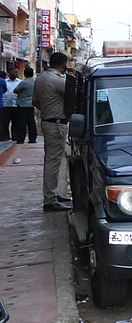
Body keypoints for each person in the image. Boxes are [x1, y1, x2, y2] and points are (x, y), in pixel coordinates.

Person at [33, 53, 72, 212]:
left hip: (48, 121)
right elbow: (73, 96)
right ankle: (50, 199)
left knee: (52, 160)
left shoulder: (41, 78)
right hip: (56, 124)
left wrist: (48, 110)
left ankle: (53, 193)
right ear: (64, 64)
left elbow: (35, 102)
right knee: (53, 161)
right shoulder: (58, 80)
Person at [14, 67, 37, 143]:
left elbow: (15, 90)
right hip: (31, 105)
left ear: (25, 74)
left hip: (23, 105)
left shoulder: (24, 82)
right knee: (31, 122)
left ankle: (21, 139)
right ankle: (32, 139)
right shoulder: (34, 82)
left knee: (22, 123)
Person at [2, 67, 21, 143]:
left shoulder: (19, 82)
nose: (16, 74)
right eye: (14, 72)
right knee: (4, 122)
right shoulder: (4, 82)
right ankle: (5, 137)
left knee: (16, 122)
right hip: (6, 105)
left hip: (16, 105)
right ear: (9, 73)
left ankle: (15, 137)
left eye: (17, 72)